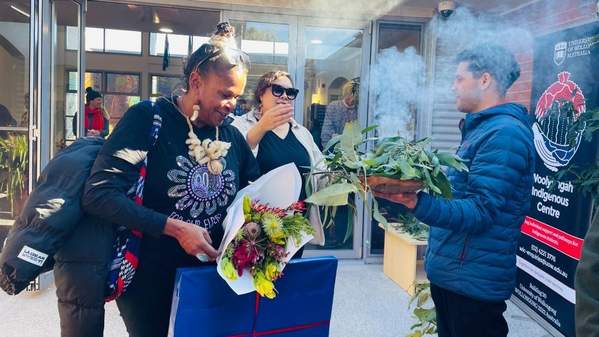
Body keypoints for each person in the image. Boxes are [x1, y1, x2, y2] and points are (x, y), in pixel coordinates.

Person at [53, 22, 260, 337]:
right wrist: (175, 228)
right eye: (225, 94)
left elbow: (253, 191)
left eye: (237, 97)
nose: (232, 104)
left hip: (212, 276)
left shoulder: (231, 133)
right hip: (151, 279)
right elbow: (99, 194)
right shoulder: (148, 118)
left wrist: (255, 223)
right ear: (195, 81)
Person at [374, 44, 535, 337]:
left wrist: (416, 202)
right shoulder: (481, 130)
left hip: (474, 285)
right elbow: (461, 196)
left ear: (485, 80)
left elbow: (480, 212)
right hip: (457, 278)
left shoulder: (505, 135)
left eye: (459, 78)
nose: (453, 86)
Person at [231, 70, 325, 248]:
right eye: (277, 90)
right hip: (254, 231)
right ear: (261, 93)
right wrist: (262, 126)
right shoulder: (240, 126)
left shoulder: (302, 133)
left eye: (290, 93)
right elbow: (234, 162)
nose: (284, 96)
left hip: (294, 230)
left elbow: (321, 171)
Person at [320, 78, 359, 148]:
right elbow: (326, 133)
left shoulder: (359, 110)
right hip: (334, 149)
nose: (352, 99)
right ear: (345, 94)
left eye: (354, 97)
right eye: (349, 96)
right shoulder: (333, 107)